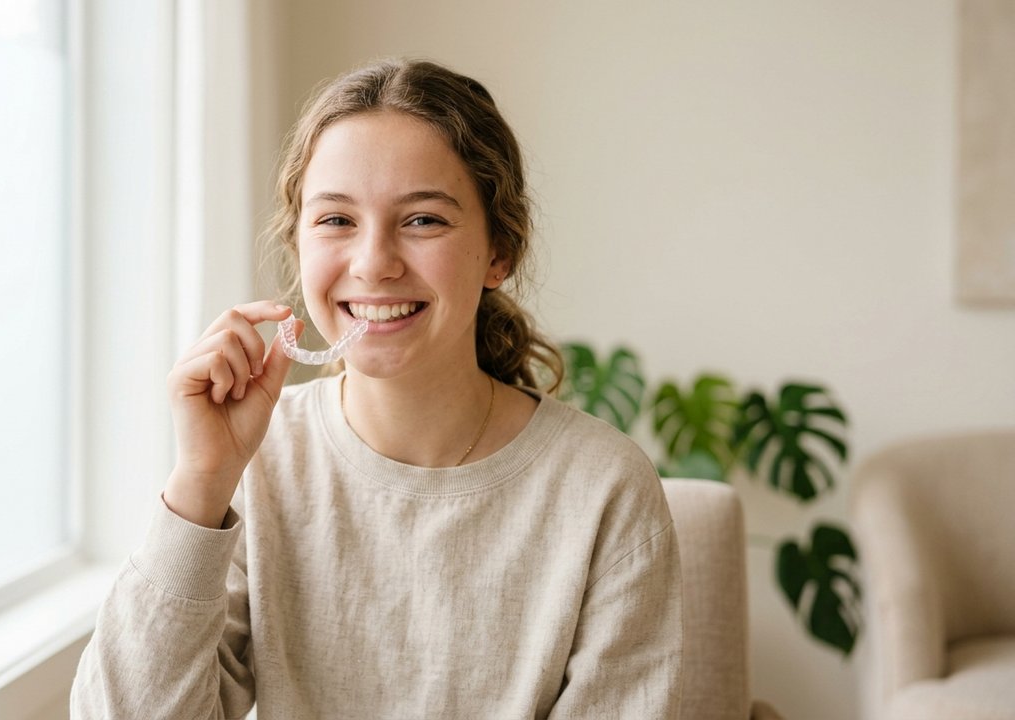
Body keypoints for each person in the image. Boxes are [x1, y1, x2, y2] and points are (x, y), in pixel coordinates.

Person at [71, 58, 682, 719]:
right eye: (336, 220)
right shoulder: (259, 462)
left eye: (422, 220)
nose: (373, 264)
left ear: (499, 251)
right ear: (299, 245)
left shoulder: (604, 487)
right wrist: (201, 480)